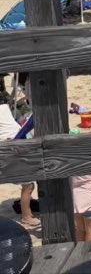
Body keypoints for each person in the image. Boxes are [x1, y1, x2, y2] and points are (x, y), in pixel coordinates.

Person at [1, 94, 37, 228]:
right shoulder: (4, 107)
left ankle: (27, 205)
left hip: (14, 144)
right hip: (12, 147)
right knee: (28, 184)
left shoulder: (5, 108)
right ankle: (26, 216)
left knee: (27, 183)